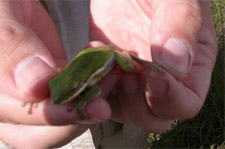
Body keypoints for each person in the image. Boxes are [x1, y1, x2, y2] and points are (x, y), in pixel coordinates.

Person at [0, 0, 217, 148]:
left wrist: (83, 97)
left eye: (75, 89)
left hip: (113, 50)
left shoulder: (86, 81)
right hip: (67, 52)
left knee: (126, 121)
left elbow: (94, 87)